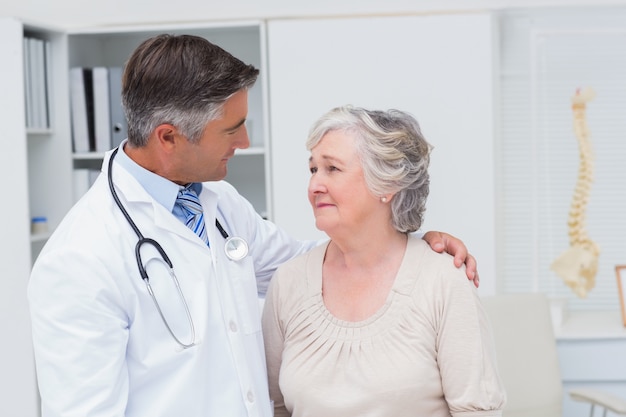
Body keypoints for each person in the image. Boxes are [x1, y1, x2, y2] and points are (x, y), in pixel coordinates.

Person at [28, 34, 479, 417]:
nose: (244, 141)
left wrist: (410, 245)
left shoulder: (219, 204)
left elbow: (313, 264)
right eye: (232, 129)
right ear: (169, 137)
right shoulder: (80, 258)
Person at [262, 106, 506, 417]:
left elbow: (477, 411)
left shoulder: (443, 280)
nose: (314, 186)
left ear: (387, 185)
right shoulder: (289, 282)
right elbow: (274, 406)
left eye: (332, 169)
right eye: (313, 170)